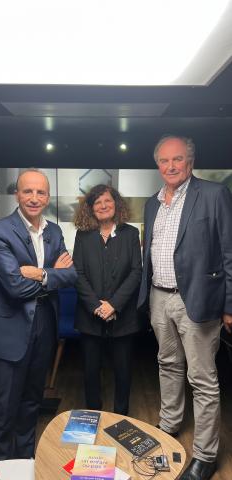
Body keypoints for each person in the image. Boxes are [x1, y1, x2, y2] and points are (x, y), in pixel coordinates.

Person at [138, 135, 232, 480]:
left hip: (198, 300)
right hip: (159, 297)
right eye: (164, 160)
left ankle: (205, 456)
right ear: (158, 164)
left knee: (203, 379)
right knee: (167, 365)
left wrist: (230, 305)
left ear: (190, 161)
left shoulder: (213, 194)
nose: (171, 166)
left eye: (178, 159)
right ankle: (169, 424)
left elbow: (229, 253)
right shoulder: (152, 203)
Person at [0, 169, 77, 460]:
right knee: (5, 408)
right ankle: (1, 469)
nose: (34, 198)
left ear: (47, 197)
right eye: (27, 191)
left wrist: (40, 274)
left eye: (40, 192)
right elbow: (15, 288)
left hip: (45, 327)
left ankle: (24, 462)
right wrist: (53, 275)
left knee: (32, 402)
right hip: (10, 331)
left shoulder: (54, 231)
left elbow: (71, 276)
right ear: (17, 194)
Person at [73, 184, 142, 415]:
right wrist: (96, 306)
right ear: (91, 209)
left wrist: (113, 305)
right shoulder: (83, 236)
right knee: (91, 370)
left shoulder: (131, 234)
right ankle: (94, 413)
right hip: (89, 315)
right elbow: (78, 273)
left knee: (123, 371)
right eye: (97, 202)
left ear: (116, 204)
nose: (103, 206)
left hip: (122, 315)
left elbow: (136, 272)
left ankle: (121, 415)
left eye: (107, 201)